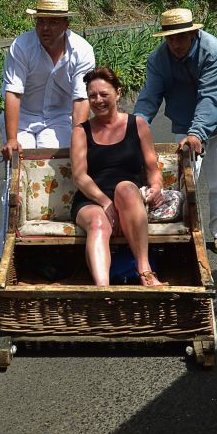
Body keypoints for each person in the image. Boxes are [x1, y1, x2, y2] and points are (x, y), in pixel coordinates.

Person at [133, 8, 217, 255]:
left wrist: (197, 133)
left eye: (181, 37)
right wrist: (133, 127)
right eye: (170, 38)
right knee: (183, 182)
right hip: (185, 126)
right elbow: (149, 98)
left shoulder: (213, 52)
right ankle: (184, 234)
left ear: (193, 34)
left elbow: (211, 98)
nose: (175, 43)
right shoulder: (158, 60)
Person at [70, 67, 164, 286]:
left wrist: (156, 186)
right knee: (97, 223)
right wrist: (105, 202)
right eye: (92, 96)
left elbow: (152, 167)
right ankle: (103, 290)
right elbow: (80, 176)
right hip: (92, 198)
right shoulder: (81, 131)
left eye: (104, 94)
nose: (98, 100)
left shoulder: (137, 124)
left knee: (126, 187)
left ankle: (145, 271)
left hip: (128, 196)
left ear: (118, 93)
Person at [0, 0, 95, 161]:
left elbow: (81, 99)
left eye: (53, 22)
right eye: (40, 22)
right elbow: (13, 92)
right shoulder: (22, 46)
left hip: (60, 117)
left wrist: (78, 140)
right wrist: (12, 139)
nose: (45, 28)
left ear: (66, 25)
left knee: (57, 168)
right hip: (22, 116)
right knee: (20, 170)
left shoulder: (82, 51)